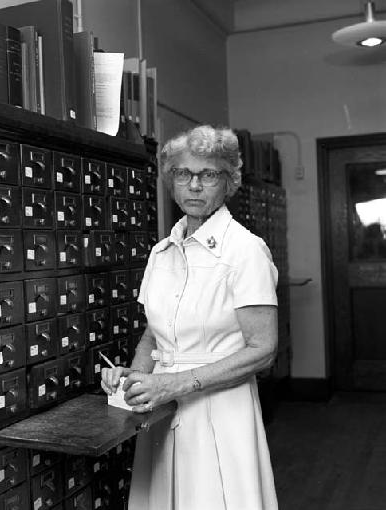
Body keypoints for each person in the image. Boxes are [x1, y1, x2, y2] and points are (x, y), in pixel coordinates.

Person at [101, 125, 279, 510]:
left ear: (228, 182)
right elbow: (155, 334)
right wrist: (132, 379)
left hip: (220, 413)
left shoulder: (244, 251)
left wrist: (174, 384)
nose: (194, 185)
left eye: (208, 174)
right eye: (183, 174)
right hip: (163, 411)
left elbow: (263, 350)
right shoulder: (162, 252)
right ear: (171, 181)